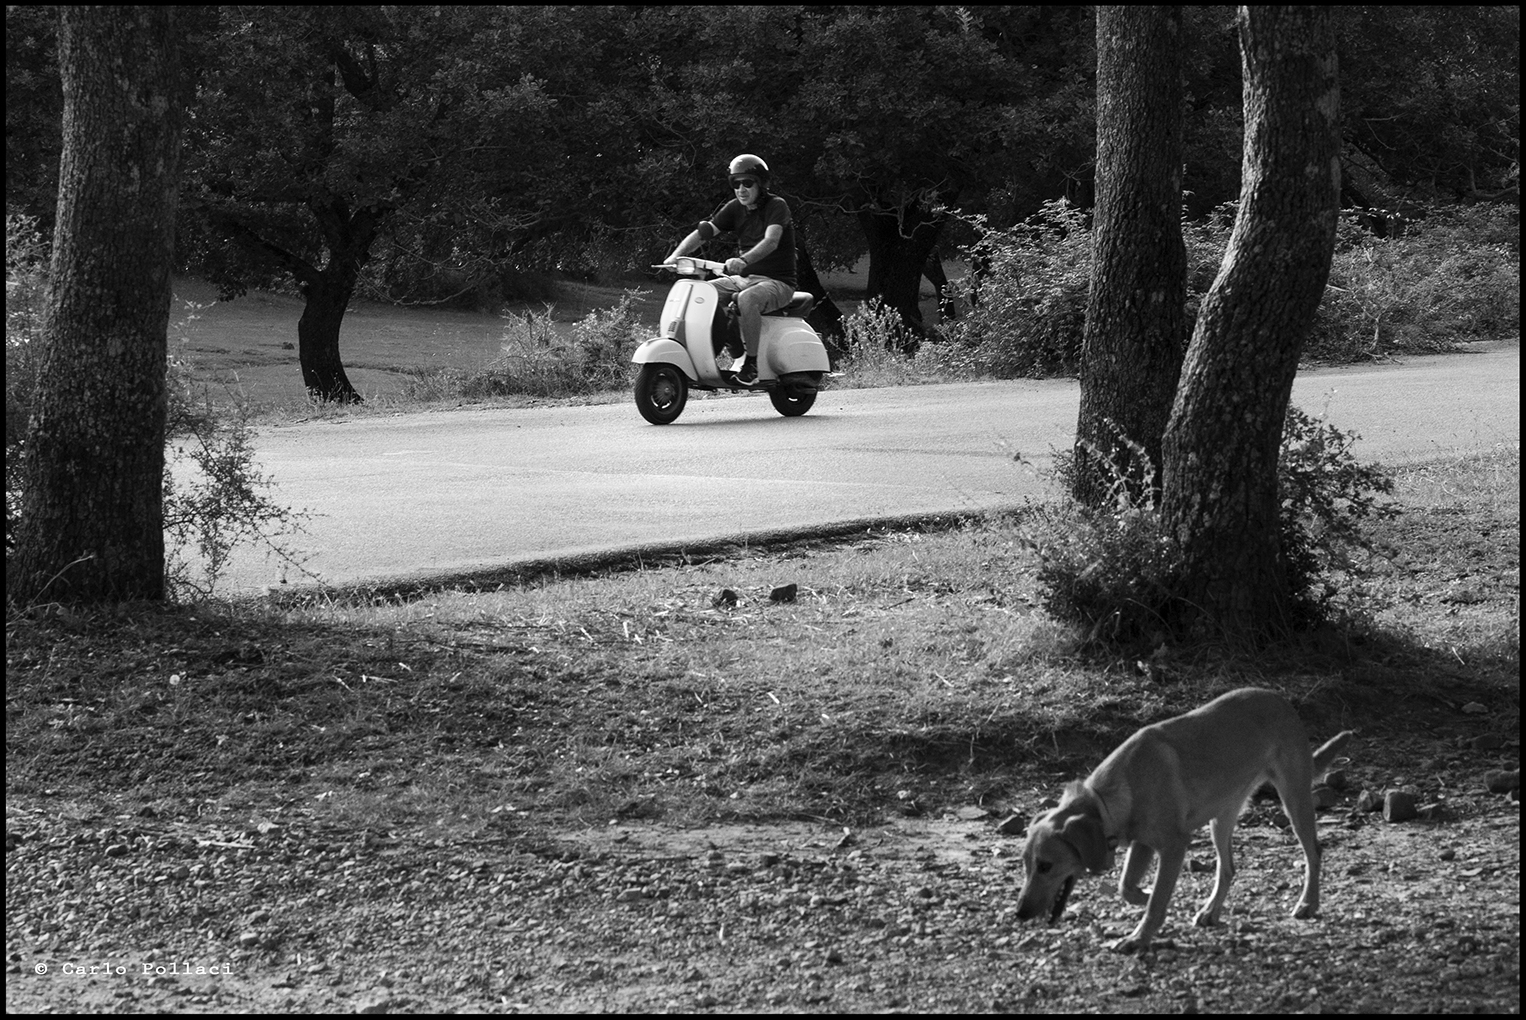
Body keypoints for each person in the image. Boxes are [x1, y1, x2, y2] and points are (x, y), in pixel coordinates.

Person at [663, 154, 797, 383]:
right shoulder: (735, 208)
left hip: (778, 282)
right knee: (703, 294)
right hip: (745, 279)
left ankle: (751, 366)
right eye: (736, 183)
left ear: (761, 184)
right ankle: (735, 352)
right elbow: (704, 233)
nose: (741, 189)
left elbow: (771, 241)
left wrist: (743, 261)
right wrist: (675, 257)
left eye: (747, 183)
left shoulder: (777, 206)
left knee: (747, 299)